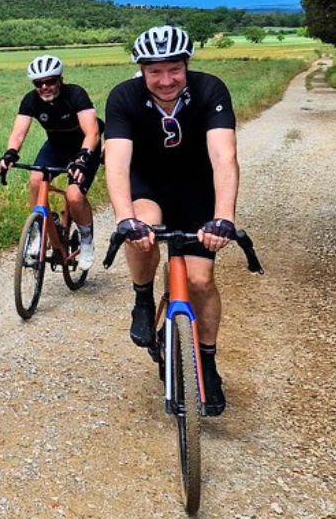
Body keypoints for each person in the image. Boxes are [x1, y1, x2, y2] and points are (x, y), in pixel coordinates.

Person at [102, 25, 239, 415]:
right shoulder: (124, 97)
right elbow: (116, 163)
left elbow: (224, 157)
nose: (165, 81)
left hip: (197, 188)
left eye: (174, 70)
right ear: (141, 71)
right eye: (154, 71)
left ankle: (207, 363)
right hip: (147, 185)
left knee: (200, 280)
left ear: (187, 65)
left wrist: (224, 218)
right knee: (141, 231)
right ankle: (143, 298)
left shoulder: (210, 90)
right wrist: (124, 218)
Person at [0, 54, 101, 269]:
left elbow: (92, 132)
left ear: (60, 80)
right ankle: (38, 233)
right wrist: (10, 154)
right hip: (56, 145)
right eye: (39, 83)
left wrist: (82, 159)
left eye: (50, 81)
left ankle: (87, 241)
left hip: (84, 147)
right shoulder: (31, 100)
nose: (45, 87)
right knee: (35, 180)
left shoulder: (76, 94)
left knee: (74, 195)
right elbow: (18, 132)